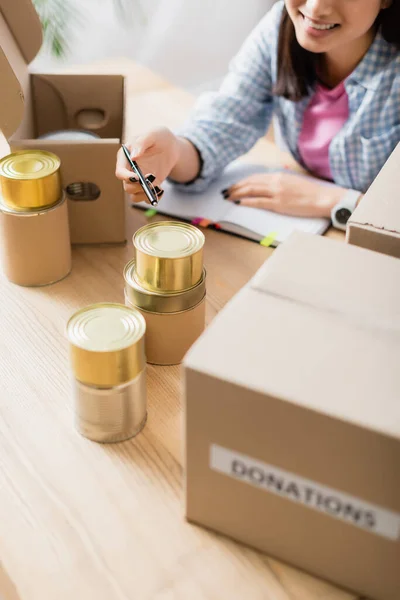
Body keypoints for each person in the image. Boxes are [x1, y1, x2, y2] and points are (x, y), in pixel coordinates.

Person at [116, 0, 400, 230]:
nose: (314, 8)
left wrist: (332, 200)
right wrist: (174, 151)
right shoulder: (281, 27)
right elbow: (224, 124)